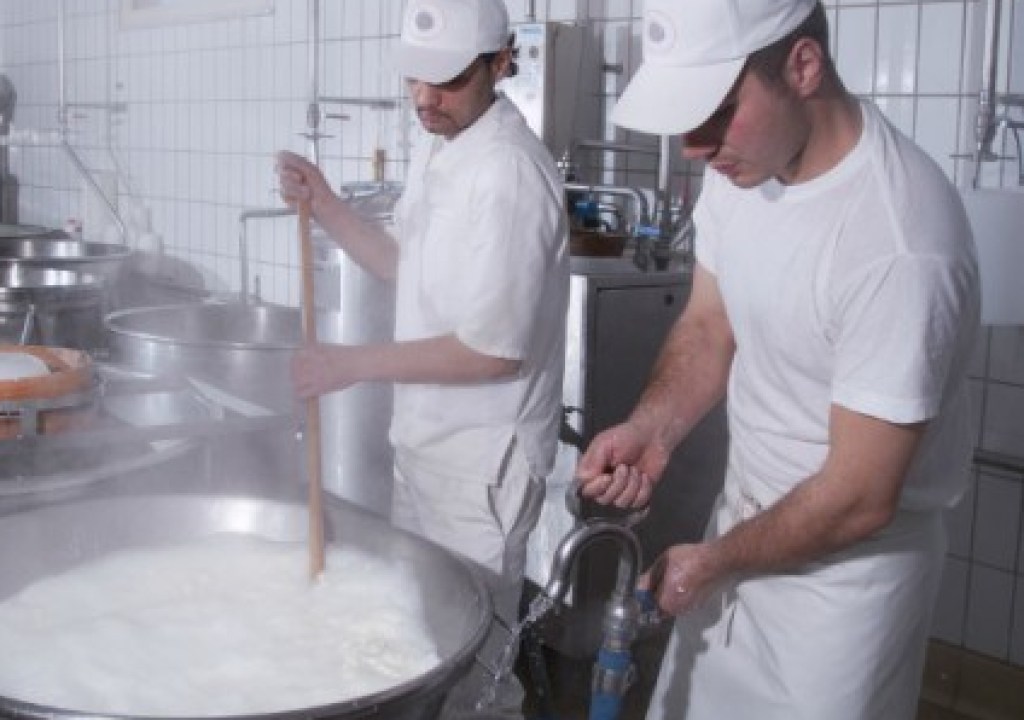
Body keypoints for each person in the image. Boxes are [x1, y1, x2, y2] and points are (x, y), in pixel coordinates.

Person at [573, 1, 981, 718]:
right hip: (737, 536)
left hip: (842, 593)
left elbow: (860, 495)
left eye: (717, 112)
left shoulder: (898, 241)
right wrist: (654, 427)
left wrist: (713, 563)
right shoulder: (745, 167)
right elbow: (709, 321)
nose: (696, 147)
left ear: (802, 66)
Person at [275, 0, 568, 715]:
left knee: (475, 666)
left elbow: (493, 355)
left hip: (481, 471)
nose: (425, 99)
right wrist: (329, 205)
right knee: (425, 642)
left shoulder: (509, 178)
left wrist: (351, 364)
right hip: (428, 449)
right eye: (414, 79)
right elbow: (411, 269)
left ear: (501, 64)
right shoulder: (443, 142)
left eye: (446, 80)